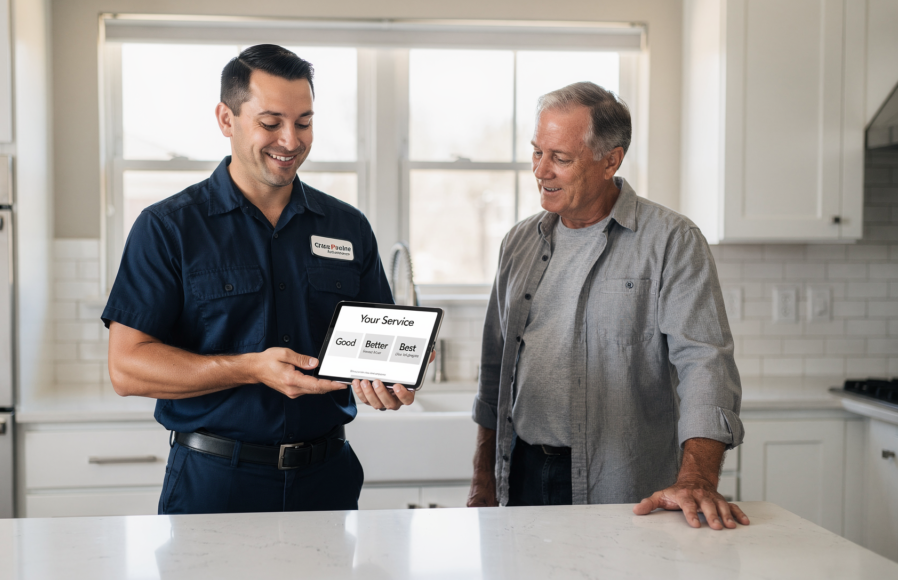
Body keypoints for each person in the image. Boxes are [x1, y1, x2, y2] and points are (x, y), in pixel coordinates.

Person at [102, 44, 414, 515]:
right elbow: (127, 369)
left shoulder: (347, 227)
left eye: (304, 122)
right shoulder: (169, 227)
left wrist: (395, 373)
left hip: (328, 481)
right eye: (270, 123)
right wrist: (250, 368)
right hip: (215, 483)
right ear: (227, 119)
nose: (290, 141)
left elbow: (374, 348)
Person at [467, 81, 749, 531]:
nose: (541, 171)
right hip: (520, 476)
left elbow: (705, 364)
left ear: (610, 161)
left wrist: (697, 478)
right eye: (537, 152)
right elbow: (494, 368)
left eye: (560, 158)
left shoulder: (671, 241)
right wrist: (484, 477)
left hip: (623, 485)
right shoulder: (519, 242)